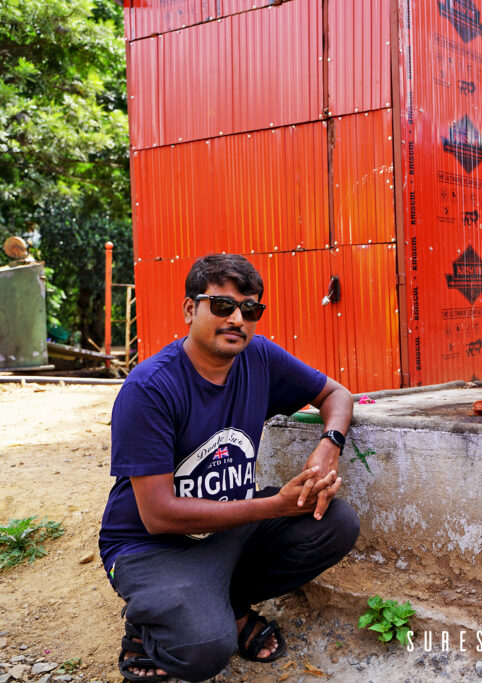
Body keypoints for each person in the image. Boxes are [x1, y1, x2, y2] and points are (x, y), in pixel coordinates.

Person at [98, 254, 360, 682]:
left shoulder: (259, 359)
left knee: (335, 522)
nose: (237, 318)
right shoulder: (149, 388)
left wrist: (328, 445)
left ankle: (227, 604)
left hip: (226, 524)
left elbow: (337, 395)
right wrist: (274, 506)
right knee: (204, 649)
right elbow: (159, 514)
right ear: (190, 309)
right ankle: (148, 629)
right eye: (222, 306)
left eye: (250, 309)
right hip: (147, 544)